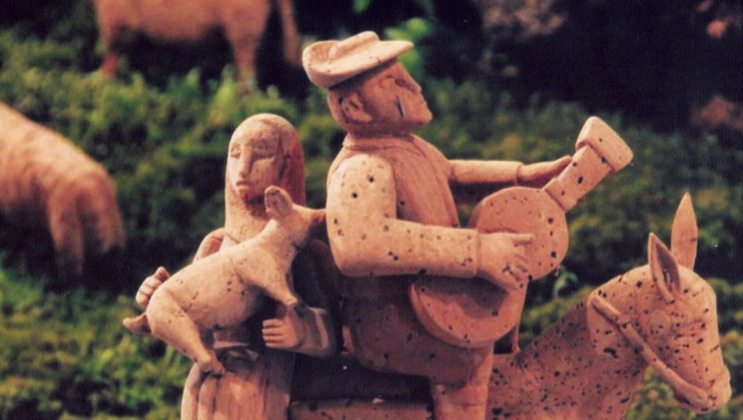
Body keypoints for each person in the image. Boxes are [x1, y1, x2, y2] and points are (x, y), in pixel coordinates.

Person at [303, 32, 571, 419]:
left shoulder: (408, 147)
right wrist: (477, 251)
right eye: (392, 82)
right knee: (467, 360)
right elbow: (361, 244)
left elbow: (452, 175)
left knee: (491, 322)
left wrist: (521, 177)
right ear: (356, 108)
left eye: (405, 76)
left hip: (423, 305)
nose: (414, 86)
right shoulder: (362, 168)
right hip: (389, 320)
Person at [133, 114, 336, 420]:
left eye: (262, 154)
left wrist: (303, 331)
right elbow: (193, 320)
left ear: (287, 164)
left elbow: (336, 335)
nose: (243, 168)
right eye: (236, 154)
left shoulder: (302, 253)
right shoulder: (216, 244)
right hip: (206, 382)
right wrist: (158, 301)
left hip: (265, 385)